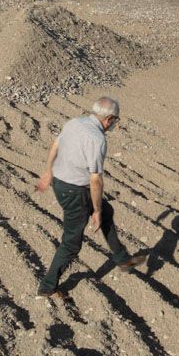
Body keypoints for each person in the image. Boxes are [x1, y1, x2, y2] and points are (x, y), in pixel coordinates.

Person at [36, 97, 146, 299]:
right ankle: (47, 287)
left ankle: (122, 259)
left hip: (61, 182)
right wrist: (95, 210)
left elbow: (55, 144)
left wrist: (48, 171)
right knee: (71, 243)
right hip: (74, 190)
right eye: (116, 120)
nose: (115, 124)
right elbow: (95, 180)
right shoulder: (97, 139)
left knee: (107, 211)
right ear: (110, 119)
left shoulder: (75, 122)